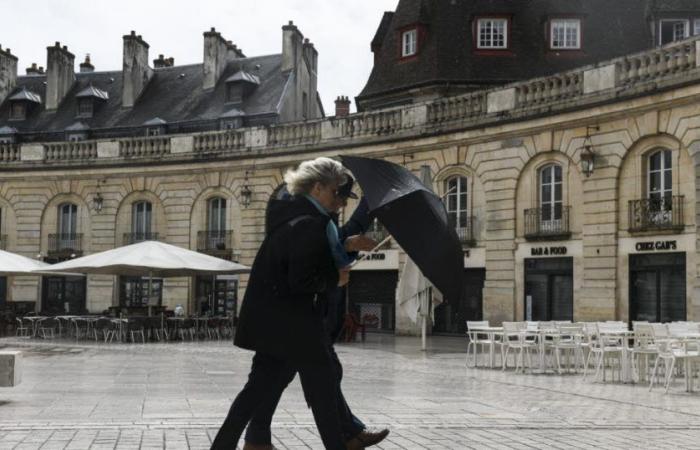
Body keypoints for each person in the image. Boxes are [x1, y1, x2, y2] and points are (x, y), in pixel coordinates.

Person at [212, 157, 371, 450]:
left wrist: (342, 253)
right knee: (322, 389)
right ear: (318, 187)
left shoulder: (292, 216)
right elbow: (301, 280)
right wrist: (333, 280)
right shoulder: (310, 223)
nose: (341, 202)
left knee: (257, 392)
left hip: (277, 324)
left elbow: (306, 264)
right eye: (338, 193)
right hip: (296, 325)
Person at [241, 186, 390, 450]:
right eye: (340, 197)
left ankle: (258, 438)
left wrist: (349, 243)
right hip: (290, 320)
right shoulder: (301, 222)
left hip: (300, 319)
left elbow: (330, 248)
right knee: (302, 377)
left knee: (287, 378)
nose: (342, 203)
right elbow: (307, 265)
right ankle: (345, 436)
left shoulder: (318, 220)